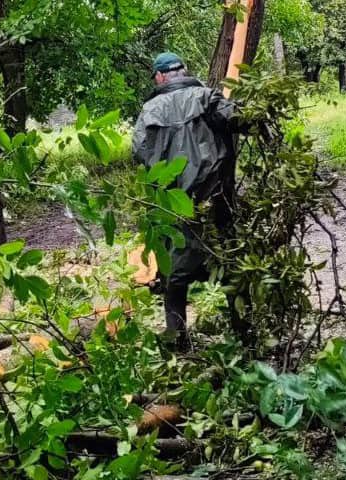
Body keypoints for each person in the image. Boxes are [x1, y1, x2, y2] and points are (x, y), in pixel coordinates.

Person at [132, 52, 238, 350]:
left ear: (160, 77)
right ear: (184, 71)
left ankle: (178, 341)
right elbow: (238, 120)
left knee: (174, 277)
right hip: (215, 200)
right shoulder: (207, 97)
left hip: (173, 205)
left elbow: (140, 153)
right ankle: (244, 336)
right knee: (230, 265)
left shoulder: (149, 111)